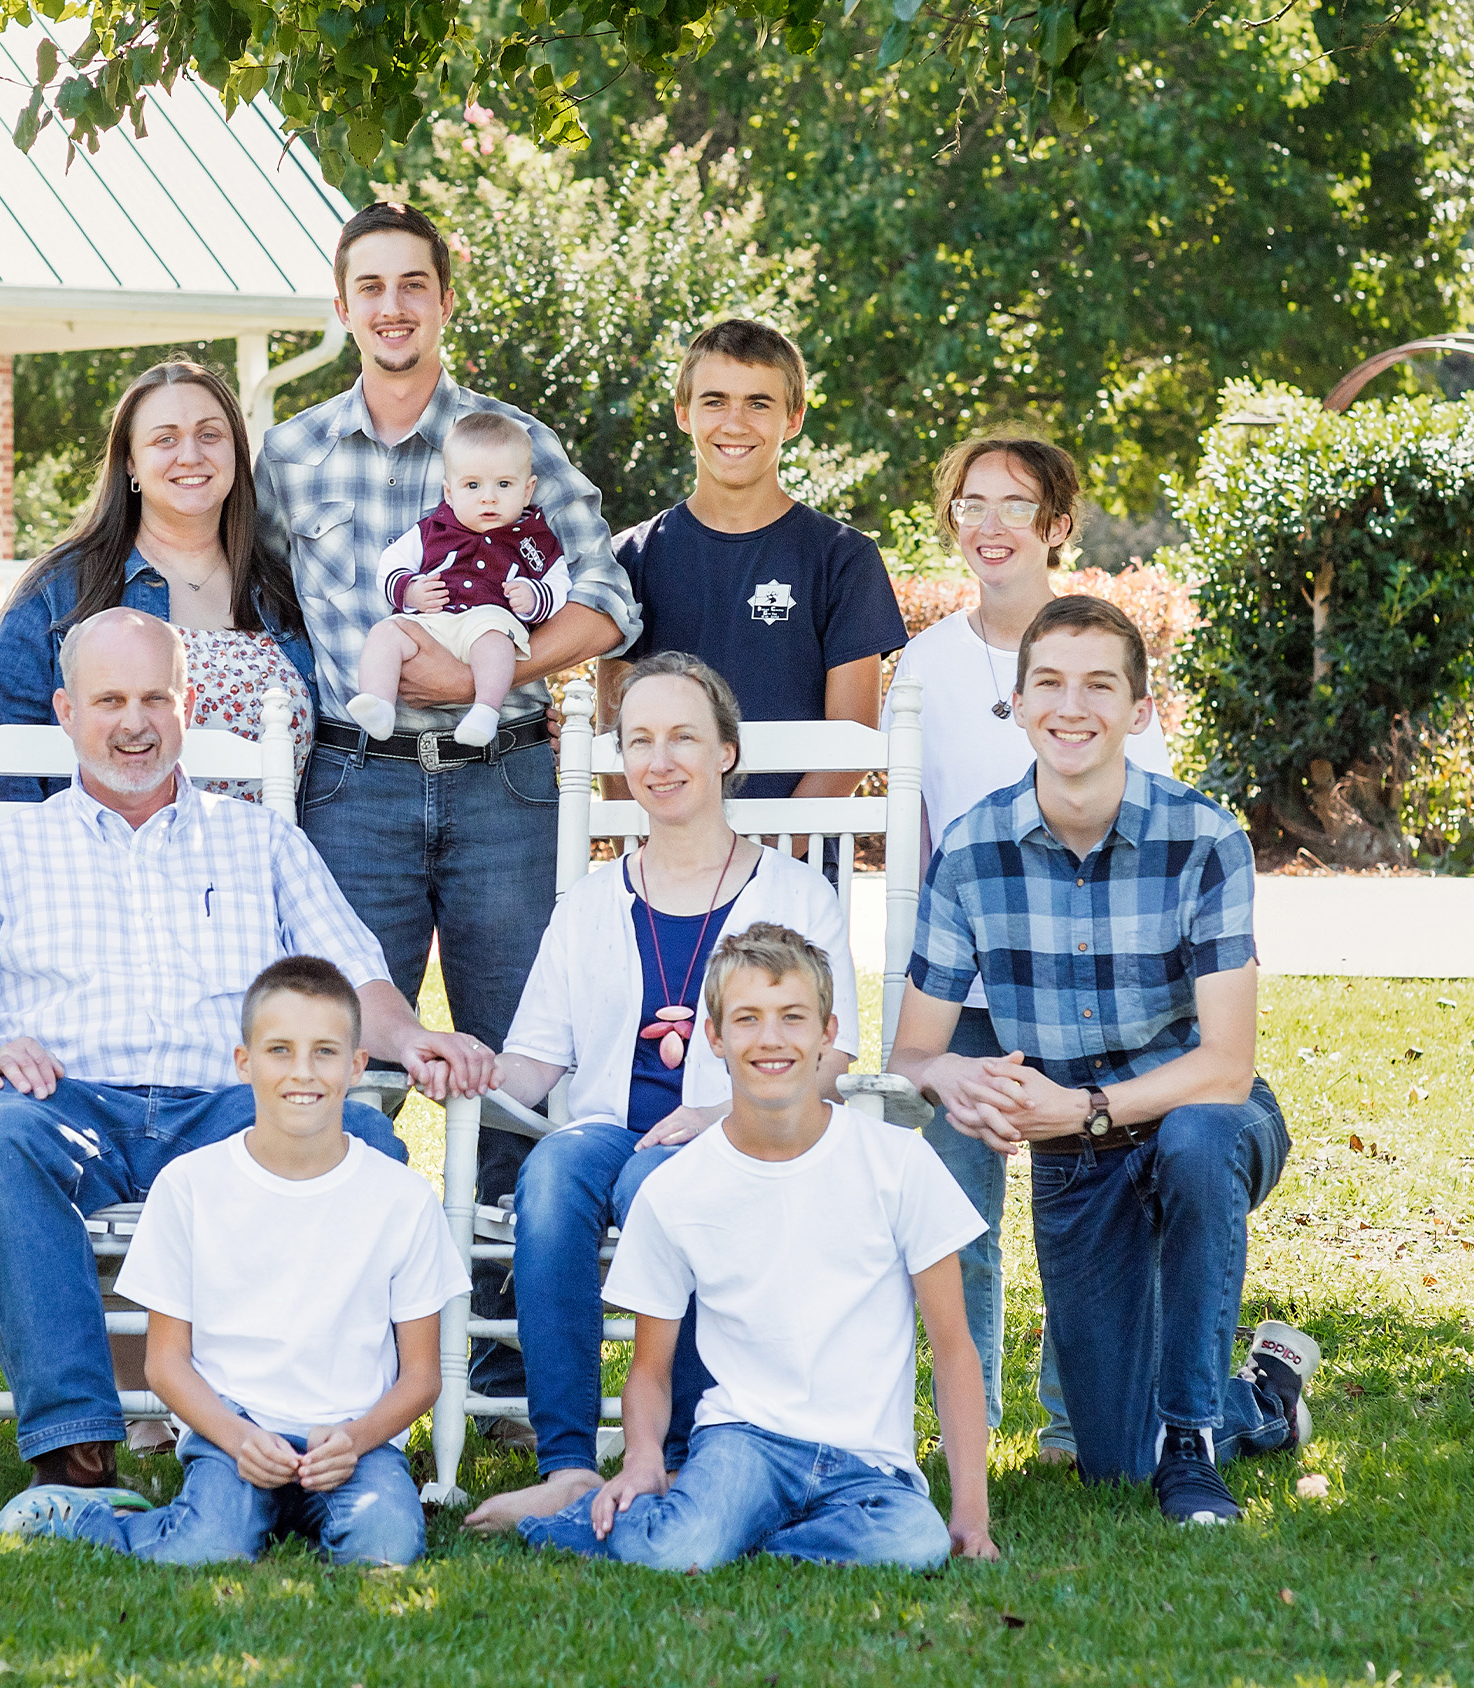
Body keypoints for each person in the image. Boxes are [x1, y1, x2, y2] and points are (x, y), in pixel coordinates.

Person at [0, 607, 497, 1495]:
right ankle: (76, 1449)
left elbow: (355, 982)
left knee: (366, 1148)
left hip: (230, 1113)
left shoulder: (262, 840)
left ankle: (337, 1434)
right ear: (65, 711)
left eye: (153, 698)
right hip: (69, 1104)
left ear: (186, 705)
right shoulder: (4, 852)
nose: (132, 723)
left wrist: (412, 1036)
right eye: (108, 701)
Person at [257, 200, 640, 1420]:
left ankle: (505, 1347)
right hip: (350, 785)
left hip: (504, 777)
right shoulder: (292, 455)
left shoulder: (511, 440)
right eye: (369, 287)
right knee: (343, 1058)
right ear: (341, 307)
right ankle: (347, 1334)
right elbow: (257, 608)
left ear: (442, 299)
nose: (392, 306)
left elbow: (609, 601)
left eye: (413, 284)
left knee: (516, 1069)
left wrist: (496, 667)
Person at [887, 594, 1320, 1526]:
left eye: (1099, 685)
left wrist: (1081, 1106)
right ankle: (1262, 1401)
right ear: (1017, 701)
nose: (1071, 706)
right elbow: (914, 1052)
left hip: (1201, 1116)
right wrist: (951, 1075)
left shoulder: (1204, 840)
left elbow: (1228, 1067)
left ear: (1140, 709)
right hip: (1076, 1161)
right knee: (1115, 1460)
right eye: (1049, 682)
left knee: (1200, 1144)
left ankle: (1197, 1454)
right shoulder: (971, 851)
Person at [464, 654, 859, 1534]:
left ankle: (679, 1453)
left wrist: (725, 1113)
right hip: (609, 1128)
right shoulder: (592, 902)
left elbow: (834, 1060)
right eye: (639, 740)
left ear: (725, 752)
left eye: (683, 736)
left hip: (737, 1140)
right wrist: (471, 1066)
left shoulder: (796, 895)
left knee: (660, 1188)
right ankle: (568, 1463)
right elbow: (534, 1063)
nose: (660, 759)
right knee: (554, 1174)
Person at [519, 925, 998, 1572]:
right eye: (746, 1019)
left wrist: (969, 1513)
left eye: (793, 1018)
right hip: (743, 1444)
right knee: (679, 1549)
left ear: (828, 1033)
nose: (771, 1039)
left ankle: (734, 1537)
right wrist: (642, 1460)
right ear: (714, 1038)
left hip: (867, 1457)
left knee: (915, 1545)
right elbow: (651, 1372)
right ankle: (594, 1521)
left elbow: (954, 1349)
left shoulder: (898, 1163)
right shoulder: (678, 1187)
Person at [883, 428, 1178, 1461]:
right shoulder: (920, 666)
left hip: (1085, 978)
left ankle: (1075, 1415)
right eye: (972, 503)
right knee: (956, 1206)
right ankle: (967, 1409)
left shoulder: (1096, 653)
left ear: (1057, 525)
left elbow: (1162, 817)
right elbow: (913, 841)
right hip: (960, 986)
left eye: (1016, 506)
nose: (991, 525)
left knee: (1086, 1196)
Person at [0, 957, 467, 1564]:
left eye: (325, 1052)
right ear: (244, 1064)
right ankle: (96, 1518)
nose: (302, 1072)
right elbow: (165, 1364)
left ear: (357, 1065)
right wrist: (238, 1437)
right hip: (231, 1433)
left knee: (386, 1550)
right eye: (279, 1050)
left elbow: (422, 1376)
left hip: (353, 1439)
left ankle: (314, 1515)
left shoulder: (402, 1197)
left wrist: (355, 1439)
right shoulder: (190, 1185)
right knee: (205, 1549)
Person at [605, 319, 908, 807]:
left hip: (797, 864)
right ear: (684, 412)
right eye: (715, 400)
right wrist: (651, 858)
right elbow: (615, 742)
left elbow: (850, 748)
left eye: (759, 403)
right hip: (665, 865)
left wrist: (761, 856)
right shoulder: (630, 558)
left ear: (794, 418)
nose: (735, 423)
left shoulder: (844, 558)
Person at [0, 361, 316, 805]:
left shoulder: (283, 587)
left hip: (261, 866)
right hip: (100, 868)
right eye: (165, 439)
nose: (191, 455)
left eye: (210, 434)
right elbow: (13, 769)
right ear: (130, 463)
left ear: (236, 451)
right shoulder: (59, 592)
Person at [344, 410, 571, 749]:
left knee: (495, 644)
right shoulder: (433, 529)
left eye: (504, 485)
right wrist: (411, 591)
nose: (488, 497)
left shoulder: (533, 538)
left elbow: (559, 581)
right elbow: (391, 564)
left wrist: (535, 596)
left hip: (488, 620)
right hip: (431, 621)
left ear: (528, 491)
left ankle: (484, 712)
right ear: (449, 493)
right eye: (473, 485)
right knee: (385, 633)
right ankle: (379, 703)